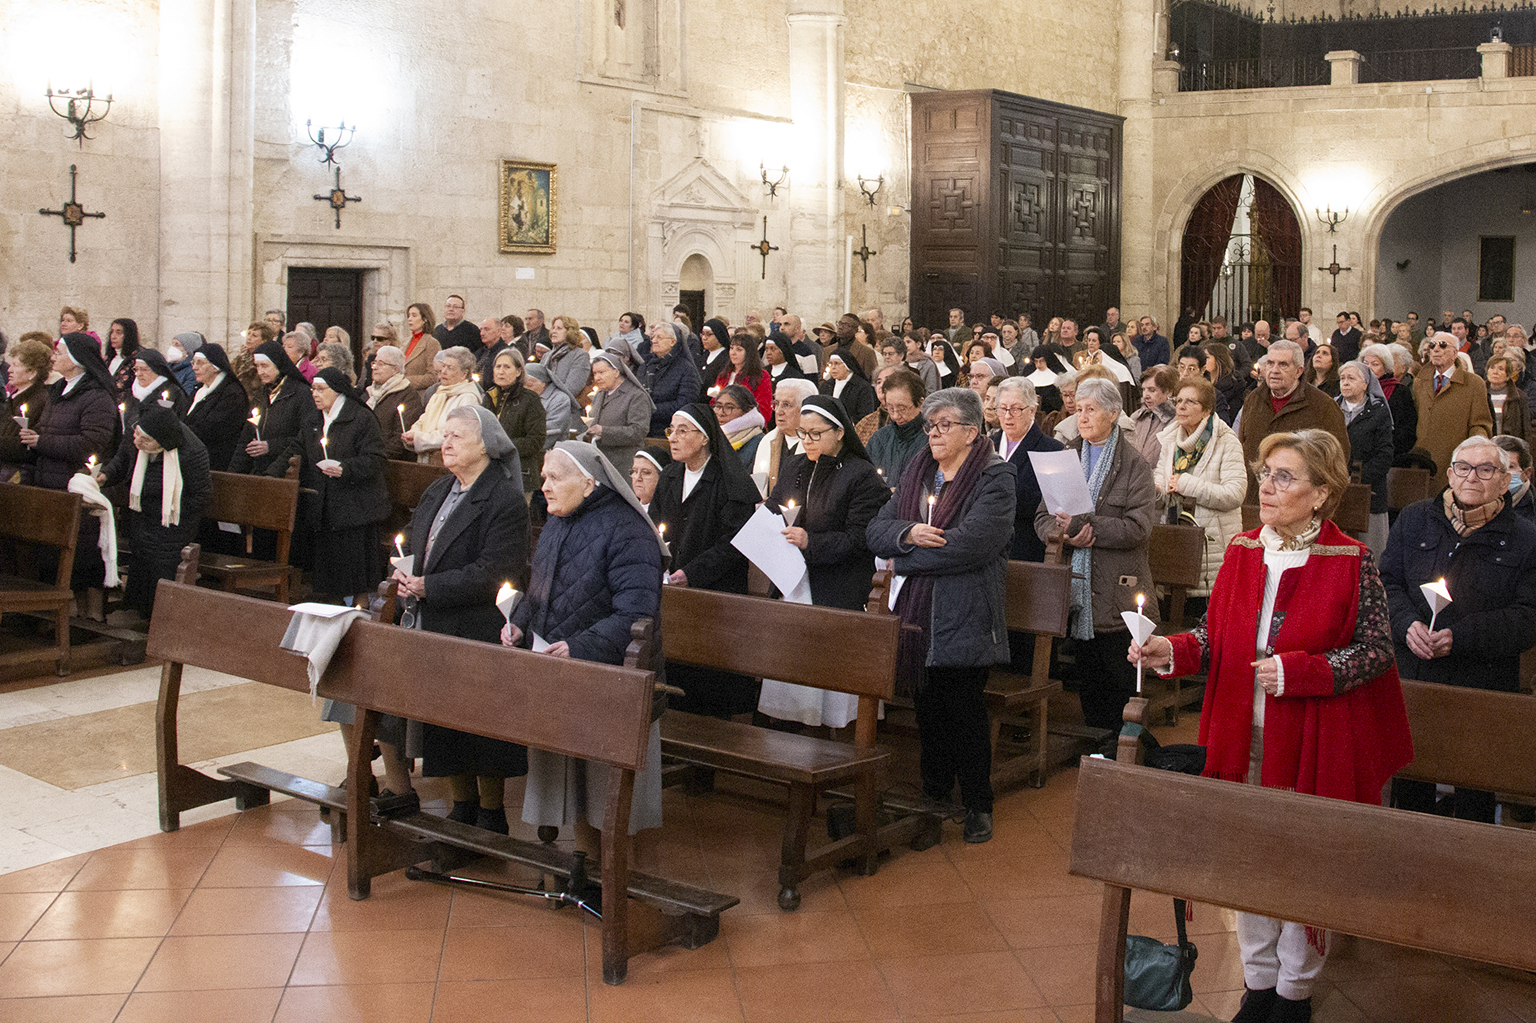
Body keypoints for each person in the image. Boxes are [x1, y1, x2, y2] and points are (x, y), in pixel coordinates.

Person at [1131, 429, 1413, 1023]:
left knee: (1303, 863)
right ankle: (1258, 984)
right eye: (1266, 474)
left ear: (1321, 493)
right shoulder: (1241, 550)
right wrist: (1169, 651)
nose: (1269, 487)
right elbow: (1217, 638)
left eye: (1285, 477)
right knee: (1247, 858)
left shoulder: (1351, 560)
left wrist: (1301, 672)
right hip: (1240, 731)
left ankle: (1295, 993)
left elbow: (1376, 651)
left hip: (1315, 739)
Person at [867, 387, 1014, 844]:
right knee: (929, 712)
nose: (933, 433)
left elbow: (972, 545)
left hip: (968, 609)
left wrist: (902, 557)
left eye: (944, 425)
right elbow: (877, 529)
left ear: (971, 432)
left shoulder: (996, 476)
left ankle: (977, 803)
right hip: (919, 613)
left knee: (965, 712)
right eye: (930, 425)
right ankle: (932, 800)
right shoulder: (919, 469)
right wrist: (909, 531)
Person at [381, 406, 531, 832]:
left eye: (457, 437)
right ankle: (461, 805)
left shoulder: (502, 500)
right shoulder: (439, 490)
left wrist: (429, 586)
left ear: (485, 446)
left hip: (478, 626)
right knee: (444, 726)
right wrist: (404, 570)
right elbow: (413, 543)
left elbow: (496, 572)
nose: (445, 443)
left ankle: (490, 813)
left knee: (478, 728)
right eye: (444, 436)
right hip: (434, 622)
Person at [512, 441, 665, 841]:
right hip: (561, 674)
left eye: (554, 477)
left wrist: (578, 647)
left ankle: (609, 876)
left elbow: (636, 616)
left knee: (604, 796)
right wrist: (517, 624)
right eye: (543, 476)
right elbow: (538, 591)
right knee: (572, 783)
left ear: (588, 482)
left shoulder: (629, 531)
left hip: (612, 681)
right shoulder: (558, 520)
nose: (543, 485)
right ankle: (583, 864)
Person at [1381, 436, 1536, 823]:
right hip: (1416, 672)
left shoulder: (1526, 539)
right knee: (1411, 787)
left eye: (1487, 470)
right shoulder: (1414, 518)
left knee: (1474, 796)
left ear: (1505, 482)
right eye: (1464, 468)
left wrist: (1461, 637)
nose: (1473, 477)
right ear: (1450, 474)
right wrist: (1406, 624)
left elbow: (1528, 616)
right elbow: (1386, 583)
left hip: (1481, 682)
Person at [1033, 377, 1158, 732]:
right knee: (1088, 678)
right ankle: (1096, 752)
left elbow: (1138, 528)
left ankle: (1124, 752)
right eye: (1079, 409)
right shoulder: (1064, 456)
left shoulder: (1134, 464)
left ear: (1114, 413)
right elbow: (1042, 519)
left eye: (1091, 410)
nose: (1082, 417)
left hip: (1117, 586)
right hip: (1076, 586)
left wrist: (1088, 527)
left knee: (1119, 678)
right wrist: (1065, 536)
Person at [760, 395, 890, 726]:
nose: (807, 441)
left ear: (839, 432)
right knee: (790, 675)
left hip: (837, 588)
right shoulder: (795, 465)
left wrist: (810, 541)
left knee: (828, 685)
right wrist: (765, 517)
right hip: (793, 581)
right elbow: (777, 506)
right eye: (802, 433)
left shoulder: (861, 476)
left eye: (815, 434)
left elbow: (861, 538)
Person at [649, 404, 760, 716]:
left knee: (709, 691)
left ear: (704, 438)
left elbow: (734, 544)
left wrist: (691, 573)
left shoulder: (729, 483)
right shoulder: (669, 476)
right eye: (671, 430)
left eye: (682, 430)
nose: (672, 437)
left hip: (717, 599)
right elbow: (654, 529)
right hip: (673, 593)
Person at [18, 333, 120, 591]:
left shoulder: (96, 397)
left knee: (77, 558)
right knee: (48, 556)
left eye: (59, 352)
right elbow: (45, 430)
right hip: (48, 482)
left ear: (76, 360)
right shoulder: (57, 389)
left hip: (72, 484)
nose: (53, 356)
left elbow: (91, 443)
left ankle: (79, 614)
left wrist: (40, 442)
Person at [94, 403, 211, 618]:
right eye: (137, 435)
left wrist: (169, 508)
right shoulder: (138, 433)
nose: (137, 442)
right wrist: (106, 475)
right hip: (142, 514)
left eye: (146, 440)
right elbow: (122, 459)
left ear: (163, 443)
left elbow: (201, 497)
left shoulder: (192, 451)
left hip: (174, 522)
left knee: (161, 563)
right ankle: (137, 611)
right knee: (140, 556)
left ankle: (159, 620)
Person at [292, 368, 390, 602]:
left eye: (320, 389)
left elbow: (376, 459)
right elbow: (298, 449)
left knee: (355, 575)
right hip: (324, 508)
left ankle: (359, 610)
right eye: (313, 388)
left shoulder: (361, 418)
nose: (314, 394)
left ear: (337, 391)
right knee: (329, 577)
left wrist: (345, 469)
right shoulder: (313, 420)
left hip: (355, 508)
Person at [1154, 376, 1246, 604]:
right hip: (1174, 544)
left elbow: (1234, 494)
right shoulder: (1170, 439)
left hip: (1211, 552)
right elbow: (1160, 480)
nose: (1181, 407)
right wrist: (1154, 490)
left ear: (1206, 410)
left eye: (1190, 402)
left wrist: (1186, 485)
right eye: (1178, 401)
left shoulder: (1226, 441)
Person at [1238, 339, 1351, 502]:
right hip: (1255, 498)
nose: (1274, 370)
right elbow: (1244, 444)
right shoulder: (1253, 400)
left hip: (1298, 501)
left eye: (1283, 364)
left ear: (1298, 371)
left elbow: (1338, 458)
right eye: (1270, 363)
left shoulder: (1323, 405)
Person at [1413, 331, 1492, 491]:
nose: (1436, 349)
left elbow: (1480, 424)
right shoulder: (1420, 381)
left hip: (1454, 461)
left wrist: (1474, 455)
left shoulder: (1473, 384)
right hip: (1421, 462)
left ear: (1455, 353)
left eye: (1442, 345)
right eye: (1432, 345)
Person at [229, 340, 314, 476]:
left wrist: (271, 446)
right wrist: (233, 474)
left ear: (278, 364)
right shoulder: (262, 394)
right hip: (260, 471)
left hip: (286, 473)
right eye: (257, 366)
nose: (260, 372)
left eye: (265, 366)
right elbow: (247, 437)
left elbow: (305, 438)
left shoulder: (301, 394)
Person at [1337, 360, 1394, 554]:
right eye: (1342, 378)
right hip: (1335, 487)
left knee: (1371, 551)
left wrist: (1357, 478)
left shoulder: (1378, 412)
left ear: (1365, 384)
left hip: (1369, 490)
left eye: (1351, 378)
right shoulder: (1332, 408)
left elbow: (1384, 454)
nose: (1345, 382)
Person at [483, 347, 546, 493]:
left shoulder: (530, 400)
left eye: (507, 367)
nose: (501, 371)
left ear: (518, 372)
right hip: (491, 472)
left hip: (520, 473)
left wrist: (503, 446)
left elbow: (536, 440)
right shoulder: (489, 397)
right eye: (498, 366)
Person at [584, 347, 654, 477]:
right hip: (600, 462)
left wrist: (603, 431)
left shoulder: (635, 396)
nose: (597, 377)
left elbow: (638, 431)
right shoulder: (599, 394)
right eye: (595, 373)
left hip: (623, 465)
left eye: (601, 372)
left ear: (616, 372)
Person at [404, 347, 481, 465]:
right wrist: (412, 433)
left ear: (464, 374)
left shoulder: (468, 398)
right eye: (444, 366)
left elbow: (454, 434)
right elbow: (423, 420)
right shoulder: (439, 394)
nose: (443, 371)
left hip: (448, 464)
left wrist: (419, 439)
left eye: (450, 368)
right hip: (426, 461)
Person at [183, 343, 250, 472]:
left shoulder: (232, 393)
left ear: (215, 367)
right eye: (193, 363)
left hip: (215, 460)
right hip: (194, 455)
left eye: (200, 363)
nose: (194, 368)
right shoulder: (199, 390)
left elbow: (212, 428)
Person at [1, 336, 53, 484]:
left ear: (32, 372)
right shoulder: (16, 396)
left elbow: (25, 449)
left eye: (16, 365)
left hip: (20, 475)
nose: (9, 369)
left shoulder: (42, 400)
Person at [867, 368, 929, 488]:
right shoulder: (879, 439)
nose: (895, 416)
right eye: (890, 408)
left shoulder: (933, 438)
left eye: (902, 409)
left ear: (920, 404)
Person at [363, 344, 425, 462]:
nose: (375, 367)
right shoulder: (368, 393)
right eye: (374, 363)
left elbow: (400, 438)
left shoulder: (408, 396)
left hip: (390, 462)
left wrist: (375, 458)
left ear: (396, 369)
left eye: (381, 364)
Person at [754, 377, 815, 494]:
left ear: (804, 409)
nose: (778, 411)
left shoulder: (816, 442)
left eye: (786, 405)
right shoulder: (767, 441)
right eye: (776, 404)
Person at [642, 322, 701, 437]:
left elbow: (685, 403)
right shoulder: (645, 366)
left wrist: (650, 410)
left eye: (659, 337)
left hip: (668, 430)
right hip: (643, 427)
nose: (654, 341)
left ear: (673, 342)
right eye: (653, 337)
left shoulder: (685, 369)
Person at [1360, 342, 1417, 460]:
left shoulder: (1400, 391)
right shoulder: (1358, 388)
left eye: (1375, 364)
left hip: (1388, 454)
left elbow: (1406, 429)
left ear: (1386, 368)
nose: (1369, 368)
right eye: (1366, 364)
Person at [715, 334, 773, 422]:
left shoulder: (760, 376)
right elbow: (714, 402)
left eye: (739, 349)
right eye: (731, 348)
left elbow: (765, 410)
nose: (733, 353)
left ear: (749, 352)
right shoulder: (724, 375)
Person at [1129, 365, 1177, 468]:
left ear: (1168, 391)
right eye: (1144, 390)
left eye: (1152, 390)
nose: (1146, 395)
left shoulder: (1176, 421)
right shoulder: (1136, 417)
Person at [524, 361, 579, 450]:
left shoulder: (560, 399)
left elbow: (553, 428)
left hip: (551, 450)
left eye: (529, 385)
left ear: (543, 383)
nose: (525, 389)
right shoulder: (524, 396)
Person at [712, 383, 766, 468]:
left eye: (729, 407)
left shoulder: (760, 443)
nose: (721, 413)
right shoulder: (708, 439)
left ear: (747, 412)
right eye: (718, 406)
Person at [821, 351, 878, 424]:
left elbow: (865, 415)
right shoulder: (826, 385)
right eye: (830, 364)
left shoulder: (862, 387)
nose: (833, 367)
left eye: (837, 363)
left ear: (847, 366)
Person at [544, 315, 593, 401]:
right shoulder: (547, 356)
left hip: (564, 406)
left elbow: (572, 389)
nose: (554, 331)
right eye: (553, 328)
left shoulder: (580, 356)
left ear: (569, 332)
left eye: (559, 328)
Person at [1485, 355, 1530, 447]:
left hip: (1509, 447)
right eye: (1492, 367)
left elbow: (1526, 429)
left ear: (1508, 375)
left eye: (1501, 369)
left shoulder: (1519, 397)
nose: (1495, 372)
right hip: (1484, 446)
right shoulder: (1478, 393)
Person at [401, 303, 442, 392]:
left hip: (418, 395)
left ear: (424, 320)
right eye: (408, 316)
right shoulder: (404, 342)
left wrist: (404, 381)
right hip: (400, 394)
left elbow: (432, 377)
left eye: (414, 315)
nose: (409, 319)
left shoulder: (432, 343)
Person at [105, 318, 141, 401]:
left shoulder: (137, 358)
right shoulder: (109, 359)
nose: (113, 336)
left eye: (118, 332)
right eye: (112, 332)